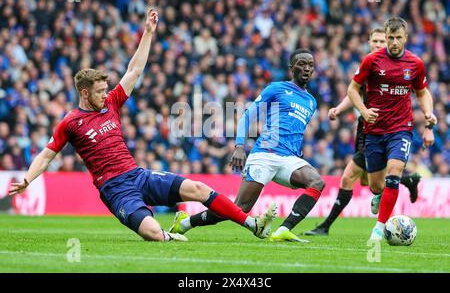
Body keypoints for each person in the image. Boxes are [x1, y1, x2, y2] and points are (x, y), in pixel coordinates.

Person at [8, 8, 277, 242]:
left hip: (137, 175)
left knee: (199, 189)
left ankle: (252, 224)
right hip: (115, 189)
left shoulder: (111, 102)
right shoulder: (71, 122)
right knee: (151, 232)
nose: (106, 93)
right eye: (100, 90)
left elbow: (134, 71)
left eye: (106, 89)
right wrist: (28, 179)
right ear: (84, 93)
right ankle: (168, 235)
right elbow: (47, 154)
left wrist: (147, 33)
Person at [170, 48, 325, 242]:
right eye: (302, 64)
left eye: (311, 65)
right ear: (291, 68)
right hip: (265, 154)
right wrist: (239, 146)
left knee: (317, 182)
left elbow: (295, 130)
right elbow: (248, 116)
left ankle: (284, 229)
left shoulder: (311, 101)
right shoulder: (276, 88)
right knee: (240, 209)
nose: (307, 68)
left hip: (290, 158)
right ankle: (185, 223)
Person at [305, 28, 422, 236]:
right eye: (375, 41)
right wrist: (339, 110)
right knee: (369, 182)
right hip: (367, 129)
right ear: (369, 42)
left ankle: (326, 226)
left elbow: (417, 90)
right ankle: (407, 180)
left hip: (387, 129)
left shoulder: (393, 65)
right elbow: (354, 93)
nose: (378, 44)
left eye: (381, 41)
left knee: (350, 177)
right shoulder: (370, 64)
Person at [346, 17, 436, 241]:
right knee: (376, 185)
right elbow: (352, 90)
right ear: (386, 38)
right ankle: (379, 197)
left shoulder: (415, 63)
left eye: (398, 38)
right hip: (374, 130)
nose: (394, 42)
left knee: (394, 173)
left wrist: (428, 117)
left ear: (405, 38)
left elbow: (423, 93)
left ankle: (379, 228)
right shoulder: (372, 60)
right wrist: (364, 111)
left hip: (401, 128)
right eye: (390, 38)